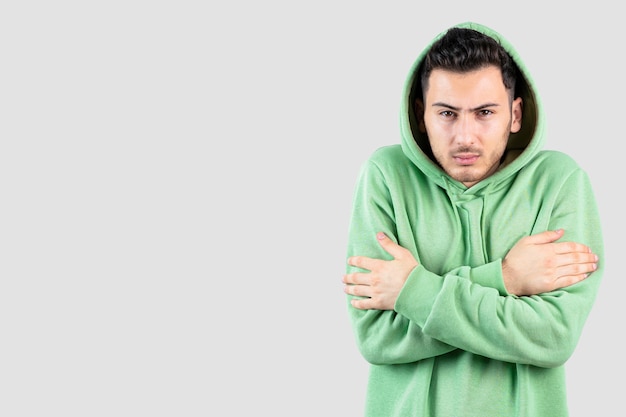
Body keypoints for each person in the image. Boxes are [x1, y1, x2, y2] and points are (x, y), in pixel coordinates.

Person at [342, 22, 604, 417]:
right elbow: (377, 338)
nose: (465, 136)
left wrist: (412, 291)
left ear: (515, 115)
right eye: (447, 113)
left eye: (484, 113)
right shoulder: (386, 175)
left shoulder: (560, 181)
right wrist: (507, 279)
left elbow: (553, 337)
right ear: (421, 114)